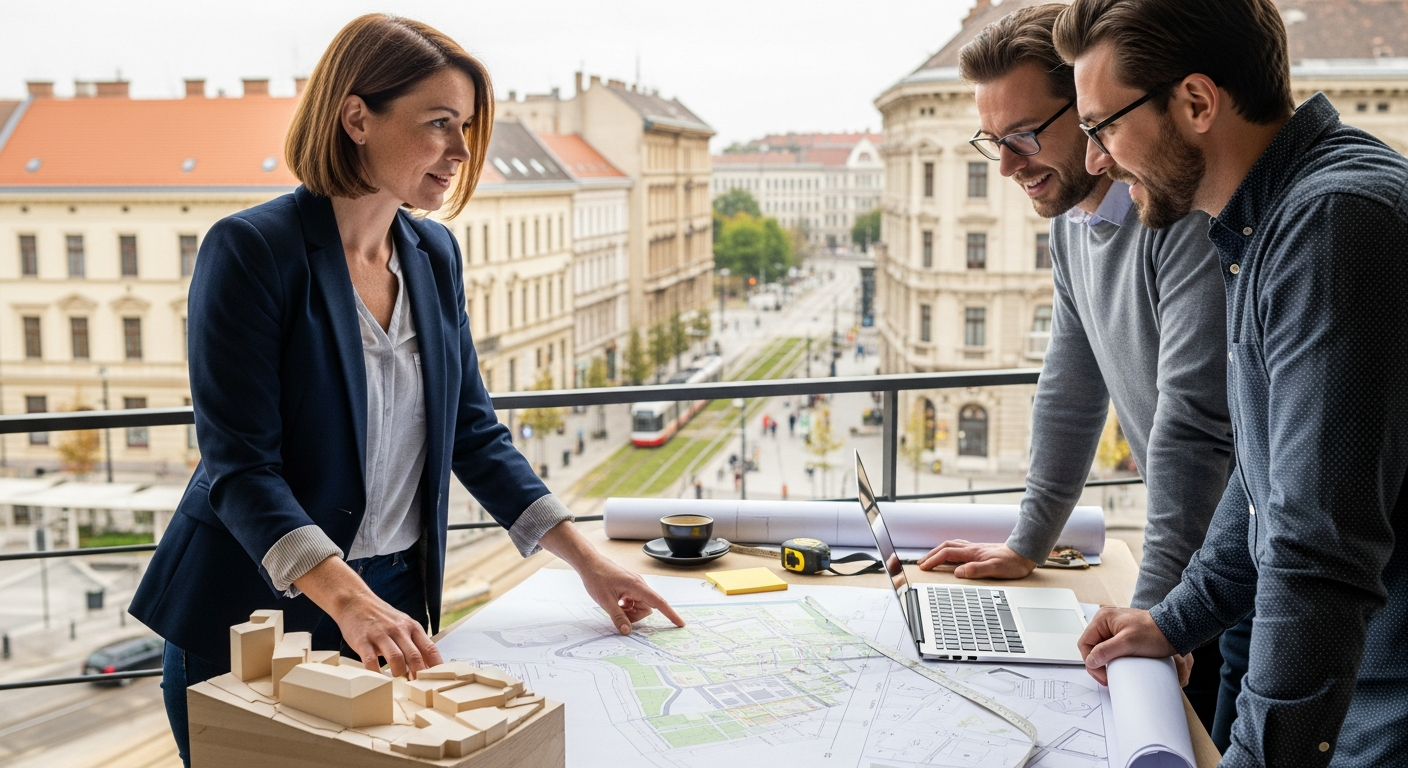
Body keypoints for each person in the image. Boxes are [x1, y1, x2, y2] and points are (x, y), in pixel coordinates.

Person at [129, 15, 683, 766]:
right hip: (252, 610)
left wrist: (588, 561)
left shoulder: (433, 253)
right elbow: (240, 469)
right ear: (357, 117)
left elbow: (473, 433)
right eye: (439, 125)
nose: (460, 152)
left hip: (392, 597)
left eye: (466, 128)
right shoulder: (253, 250)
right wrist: (348, 599)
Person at [1052, 1, 1408, 764]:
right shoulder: (1271, 222)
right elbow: (1262, 480)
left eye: (1102, 127)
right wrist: (1173, 620)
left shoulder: (1334, 223)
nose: (1094, 162)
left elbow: (1317, 555)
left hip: (1381, 703)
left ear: (1197, 102)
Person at [915, 3, 1232, 731]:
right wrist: (1028, 541)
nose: (1004, 165)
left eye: (1024, 136)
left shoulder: (1177, 218)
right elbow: (1069, 386)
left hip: (1234, 570)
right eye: (992, 140)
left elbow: (1194, 429)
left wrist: (1155, 609)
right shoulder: (1074, 225)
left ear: (1091, 112)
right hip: (1202, 566)